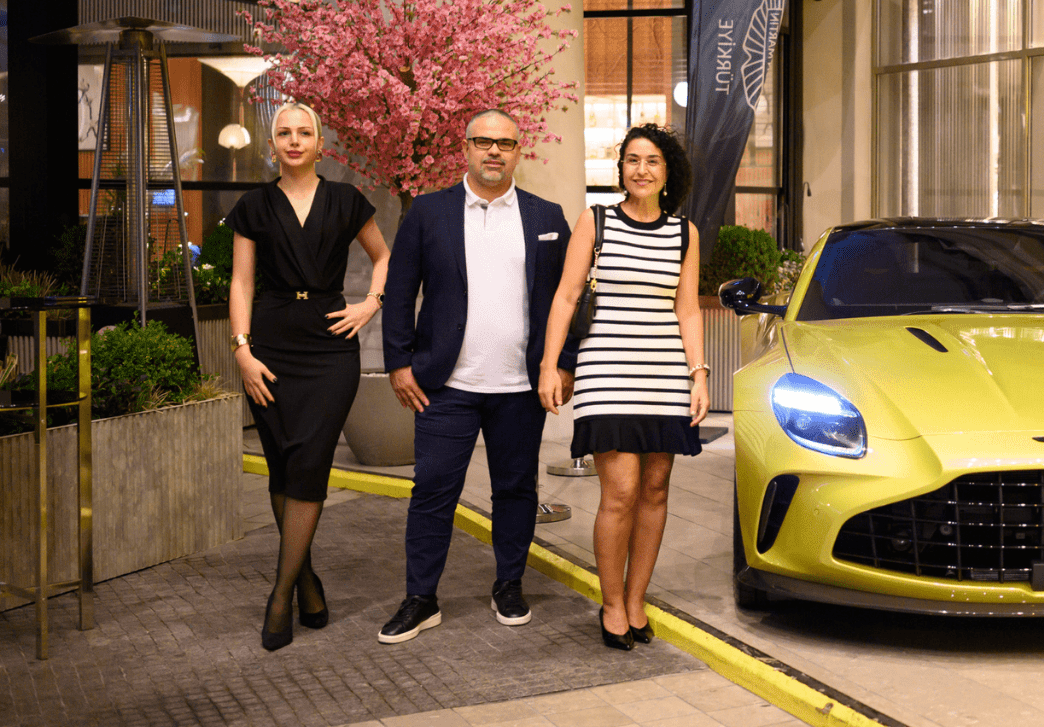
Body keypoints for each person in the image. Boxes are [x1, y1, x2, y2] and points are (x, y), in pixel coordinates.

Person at [377, 109, 579, 644]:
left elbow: (569, 296)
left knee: (515, 491)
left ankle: (508, 585)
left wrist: (563, 363)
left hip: (520, 388)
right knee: (432, 493)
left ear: (518, 151)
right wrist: (398, 362)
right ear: (465, 148)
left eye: (504, 143)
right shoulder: (429, 212)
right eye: (483, 141)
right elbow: (399, 290)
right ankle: (421, 598)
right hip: (445, 387)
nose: (494, 151)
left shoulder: (546, 216)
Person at [537, 124, 709, 650]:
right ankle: (611, 603)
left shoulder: (685, 233)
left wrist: (698, 374)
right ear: (621, 170)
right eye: (632, 160)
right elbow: (566, 297)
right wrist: (549, 365)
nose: (641, 169)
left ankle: (636, 600)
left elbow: (687, 309)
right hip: (606, 371)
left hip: (664, 372)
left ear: (667, 172)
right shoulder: (596, 221)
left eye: (652, 161)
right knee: (622, 490)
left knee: (655, 489)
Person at [227, 102, 390, 651]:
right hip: (270, 344)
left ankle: (280, 594)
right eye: (284, 133)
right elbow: (242, 283)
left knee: (310, 460)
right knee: (283, 462)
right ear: (272, 144)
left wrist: (370, 304)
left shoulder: (346, 200)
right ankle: (307, 582)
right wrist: (242, 352)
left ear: (322, 145)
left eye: (304, 133)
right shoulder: (253, 205)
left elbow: (384, 257)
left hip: (329, 348)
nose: (294, 141)